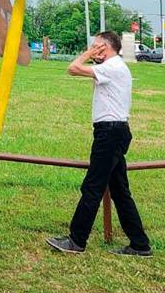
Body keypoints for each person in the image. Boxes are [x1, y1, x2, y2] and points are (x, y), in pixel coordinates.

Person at [46, 31, 152, 257]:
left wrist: (87, 54)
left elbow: (73, 68)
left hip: (110, 133)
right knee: (120, 191)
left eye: (96, 46)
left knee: (92, 187)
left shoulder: (112, 67)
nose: (93, 49)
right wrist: (94, 53)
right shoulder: (115, 67)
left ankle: (76, 241)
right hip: (115, 131)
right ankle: (140, 244)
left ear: (105, 47)